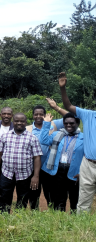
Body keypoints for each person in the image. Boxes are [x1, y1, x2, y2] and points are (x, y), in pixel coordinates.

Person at [58, 72, 96, 213]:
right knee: (83, 200)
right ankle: (80, 232)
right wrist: (63, 88)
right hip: (89, 163)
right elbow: (68, 106)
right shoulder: (89, 115)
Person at [0, 113, 43, 213]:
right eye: (17, 121)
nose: (19, 123)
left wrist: (36, 176)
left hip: (25, 175)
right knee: (5, 197)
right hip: (6, 173)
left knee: (23, 198)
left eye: (22, 121)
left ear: (25, 122)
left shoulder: (32, 138)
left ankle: (19, 219)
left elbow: (37, 158)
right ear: (13, 122)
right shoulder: (5, 136)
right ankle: (4, 217)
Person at [39, 113, 83, 212]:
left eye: (71, 123)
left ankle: (74, 222)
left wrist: (82, 173)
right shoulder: (57, 134)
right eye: (66, 123)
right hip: (58, 171)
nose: (68, 125)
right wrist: (46, 123)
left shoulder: (83, 138)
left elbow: (87, 156)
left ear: (77, 123)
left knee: (75, 198)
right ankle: (59, 220)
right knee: (59, 198)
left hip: (75, 172)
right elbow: (43, 140)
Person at [26, 104, 67, 210]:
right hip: (33, 167)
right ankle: (34, 214)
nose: (39, 116)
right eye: (36, 114)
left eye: (41, 114)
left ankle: (52, 216)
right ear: (33, 115)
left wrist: (57, 108)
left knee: (50, 194)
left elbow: (70, 117)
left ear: (45, 115)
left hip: (49, 167)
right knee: (34, 193)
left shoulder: (53, 124)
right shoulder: (28, 129)